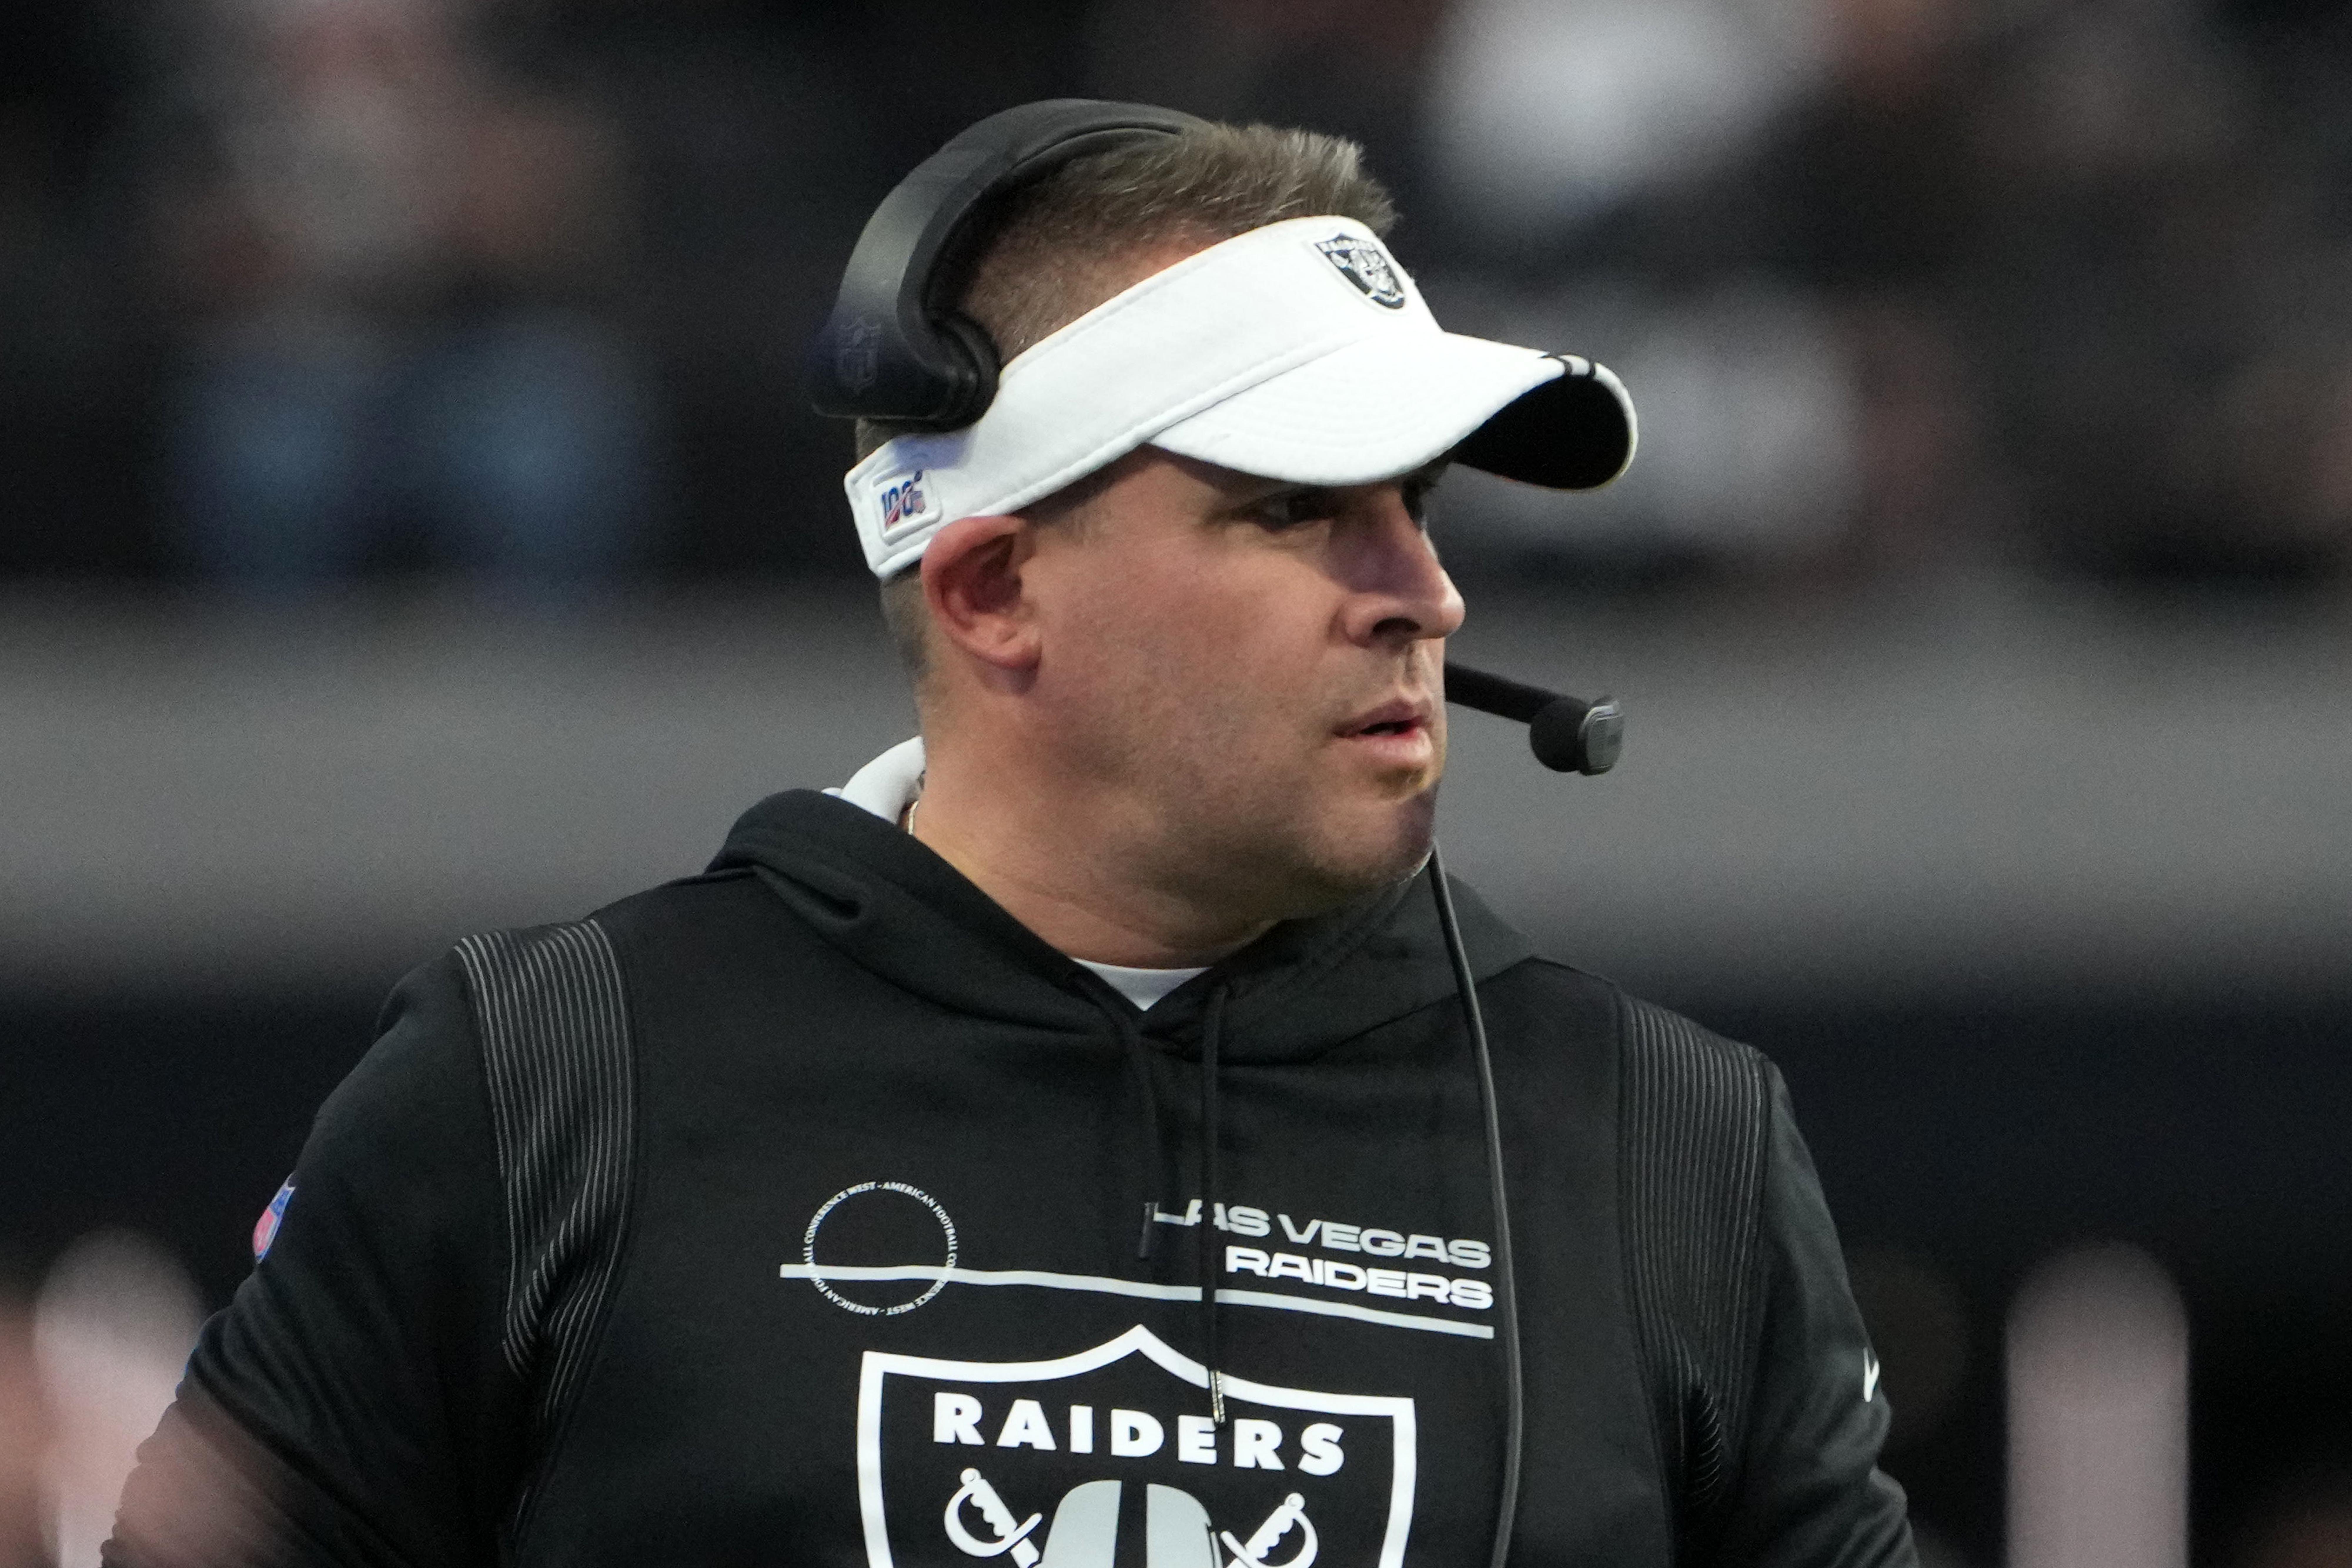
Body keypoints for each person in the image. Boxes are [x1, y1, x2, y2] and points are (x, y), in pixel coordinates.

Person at [107, 115, 1915, 1567]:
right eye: (1297, 511)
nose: (1422, 592)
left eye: (1416, 506)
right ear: (989, 588)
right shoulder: (542, 1086)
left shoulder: (1670, 1148)